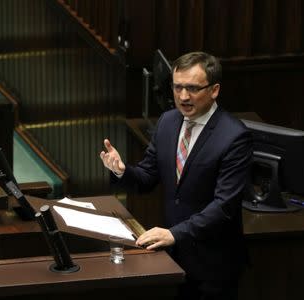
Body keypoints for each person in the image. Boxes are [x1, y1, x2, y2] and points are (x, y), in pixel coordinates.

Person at [100, 51, 252, 300]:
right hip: (173, 258)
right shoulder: (168, 122)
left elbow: (224, 207)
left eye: (192, 88)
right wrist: (121, 170)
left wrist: (174, 233)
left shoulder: (234, 136)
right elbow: (147, 177)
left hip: (213, 264)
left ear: (214, 90)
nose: (183, 97)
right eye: (177, 87)